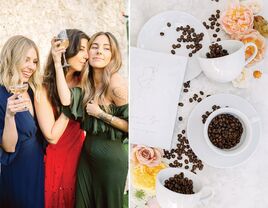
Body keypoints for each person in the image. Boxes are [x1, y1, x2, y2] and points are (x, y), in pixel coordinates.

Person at [54, 32, 128, 208]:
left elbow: (133, 126)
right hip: (87, 157)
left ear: (112, 55)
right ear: (88, 52)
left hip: (111, 161)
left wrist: (100, 114)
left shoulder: (115, 83)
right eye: (95, 47)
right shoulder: (87, 83)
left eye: (106, 48)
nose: (99, 52)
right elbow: (66, 100)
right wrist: (57, 63)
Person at [34, 29, 89, 208]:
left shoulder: (85, 82)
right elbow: (52, 136)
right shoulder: (43, 87)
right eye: (81, 49)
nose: (86, 55)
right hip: (58, 157)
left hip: (82, 153)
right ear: (67, 49)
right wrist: (70, 105)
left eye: (88, 50)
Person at [0, 35, 44, 208]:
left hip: (38, 166)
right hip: (18, 170)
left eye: (34, 61)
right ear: (12, 57)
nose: (31, 67)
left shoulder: (32, 91)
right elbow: (9, 147)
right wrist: (10, 116)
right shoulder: (2, 95)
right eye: (26, 60)